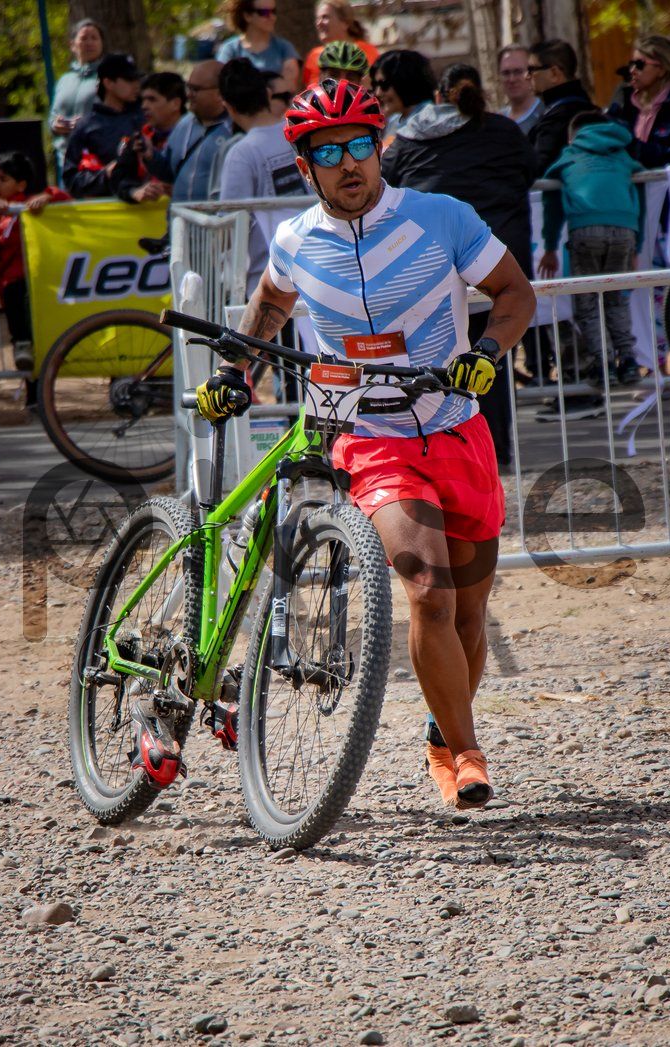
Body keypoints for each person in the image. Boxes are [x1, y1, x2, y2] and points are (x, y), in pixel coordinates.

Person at [196, 79, 537, 809]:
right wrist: (234, 372)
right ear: (305, 165)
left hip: (457, 428)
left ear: (380, 147)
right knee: (429, 592)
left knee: (469, 613)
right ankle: (467, 753)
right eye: (328, 152)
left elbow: (516, 293)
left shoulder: (441, 217)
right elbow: (271, 301)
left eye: (359, 145)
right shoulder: (296, 239)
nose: (348, 163)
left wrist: (487, 350)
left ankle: (443, 733)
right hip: (373, 439)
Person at [382, 63, 536, 467]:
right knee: (489, 353)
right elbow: (529, 171)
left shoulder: (407, 138)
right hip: (497, 259)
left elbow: (385, 186)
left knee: (439, 359)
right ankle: (495, 451)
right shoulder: (505, 130)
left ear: (438, 96)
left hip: (431, 262)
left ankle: (449, 454)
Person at [538, 111, 645, 388]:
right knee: (616, 299)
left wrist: (550, 247)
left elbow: (551, 200)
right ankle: (629, 361)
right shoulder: (620, 155)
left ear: (572, 136)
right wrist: (638, 244)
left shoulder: (571, 154)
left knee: (587, 303)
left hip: (586, 229)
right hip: (624, 229)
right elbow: (640, 190)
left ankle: (604, 365)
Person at [0, 152, 69, 385]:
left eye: (3, 179)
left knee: (41, 340)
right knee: (25, 350)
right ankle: (32, 391)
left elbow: (65, 200)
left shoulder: (31, 205)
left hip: (40, 285)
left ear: (21, 184)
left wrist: (47, 196)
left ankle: (42, 388)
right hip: (10, 286)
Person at [218, 59, 306, 295]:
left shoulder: (242, 153)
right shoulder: (300, 132)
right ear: (267, 94)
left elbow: (228, 228)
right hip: (320, 266)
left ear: (228, 107)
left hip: (269, 279)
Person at [607, 34, 670, 227]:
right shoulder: (629, 105)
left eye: (640, 64)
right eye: (631, 64)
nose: (632, 70)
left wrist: (638, 149)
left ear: (662, 69)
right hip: (643, 210)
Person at [143, 60, 232, 203]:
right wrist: (151, 156)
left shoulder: (235, 129)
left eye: (195, 89)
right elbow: (169, 172)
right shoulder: (184, 124)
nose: (189, 95)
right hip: (180, 216)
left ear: (219, 93)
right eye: (188, 88)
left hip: (216, 217)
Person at [62, 53, 144, 198]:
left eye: (137, 79)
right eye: (129, 79)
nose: (136, 85)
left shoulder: (147, 117)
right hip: (109, 208)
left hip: (153, 207)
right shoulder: (86, 127)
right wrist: (105, 175)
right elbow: (71, 181)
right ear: (108, 83)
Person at [112, 72, 186, 204]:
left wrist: (181, 191)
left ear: (175, 103)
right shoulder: (139, 138)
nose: (144, 106)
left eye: (152, 99)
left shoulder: (195, 136)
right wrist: (134, 192)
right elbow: (118, 179)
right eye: (143, 100)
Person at [526, 39, 597, 175]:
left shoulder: (556, 120)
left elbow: (538, 168)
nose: (526, 76)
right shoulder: (593, 110)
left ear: (554, 73)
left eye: (531, 70)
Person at [49, 19, 106, 181]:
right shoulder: (64, 80)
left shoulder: (107, 78)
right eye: (84, 38)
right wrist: (55, 125)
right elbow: (53, 115)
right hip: (64, 158)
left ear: (102, 44)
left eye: (94, 38)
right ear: (72, 44)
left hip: (95, 159)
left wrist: (85, 124)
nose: (89, 43)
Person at [216, 0, 299, 94]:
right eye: (264, 12)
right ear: (247, 16)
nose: (272, 17)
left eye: (273, 11)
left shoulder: (284, 47)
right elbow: (222, 84)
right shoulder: (229, 49)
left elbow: (289, 86)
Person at [302, 0, 379, 87]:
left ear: (345, 22)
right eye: (318, 18)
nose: (319, 23)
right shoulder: (314, 54)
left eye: (325, 17)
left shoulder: (366, 50)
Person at [370, 50, 436, 148]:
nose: (378, 93)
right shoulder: (397, 120)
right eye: (375, 85)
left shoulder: (428, 121)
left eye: (384, 84)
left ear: (405, 81)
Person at [498, 44, 543, 136]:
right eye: (506, 73)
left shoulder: (545, 114)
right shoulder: (497, 121)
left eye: (518, 72)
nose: (512, 79)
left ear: (530, 73)